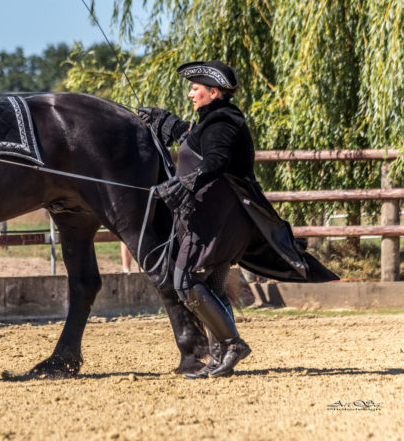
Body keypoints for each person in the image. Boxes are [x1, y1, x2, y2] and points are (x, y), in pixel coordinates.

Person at [139, 60, 337, 379]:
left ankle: (232, 344)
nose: (191, 93)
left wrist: (183, 183)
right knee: (213, 285)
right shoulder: (214, 121)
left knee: (185, 282)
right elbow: (192, 138)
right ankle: (220, 356)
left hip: (218, 221)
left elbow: (216, 161)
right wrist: (164, 121)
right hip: (210, 218)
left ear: (213, 92)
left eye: (196, 89)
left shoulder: (223, 123)